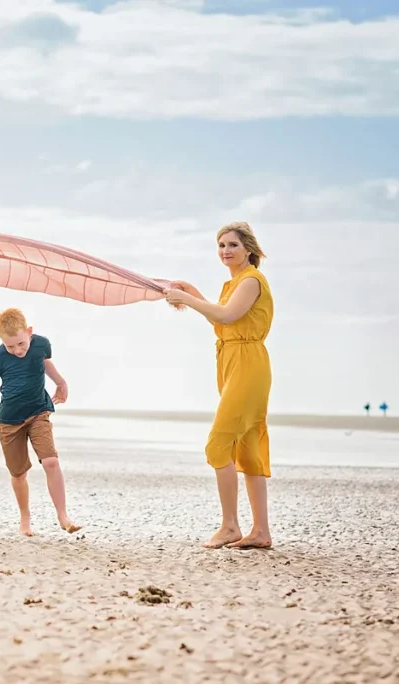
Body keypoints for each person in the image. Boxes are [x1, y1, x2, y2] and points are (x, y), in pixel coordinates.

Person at [164, 222, 274, 549]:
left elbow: (226, 316)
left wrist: (186, 297)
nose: (225, 251)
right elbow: (220, 317)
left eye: (232, 245)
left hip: (247, 363)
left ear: (249, 249)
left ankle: (230, 527)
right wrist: (193, 294)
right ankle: (261, 532)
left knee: (218, 444)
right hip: (230, 360)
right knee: (247, 447)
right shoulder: (234, 283)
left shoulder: (252, 280)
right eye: (221, 245)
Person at [0, 308, 82, 537]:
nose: (17, 350)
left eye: (21, 344)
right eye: (10, 346)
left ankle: (63, 515)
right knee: (18, 474)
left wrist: (61, 382)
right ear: (1, 342)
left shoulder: (41, 345)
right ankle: (25, 519)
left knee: (51, 461)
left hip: (39, 412)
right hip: (9, 420)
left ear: (29, 332)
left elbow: (45, 363)